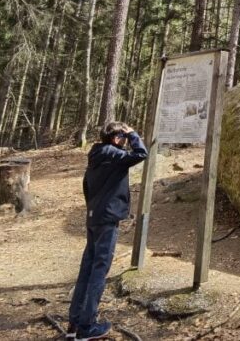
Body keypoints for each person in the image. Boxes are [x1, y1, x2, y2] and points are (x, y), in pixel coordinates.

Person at [67, 121, 148, 340]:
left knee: (87, 268)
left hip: (93, 218)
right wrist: (134, 134)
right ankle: (87, 326)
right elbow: (141, 153)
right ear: (116, 138)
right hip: (107, 219)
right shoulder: (114, 154)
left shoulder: (95, 155)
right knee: (99, 270)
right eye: (122, 136)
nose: (125, 140)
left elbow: (86, 186)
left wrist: (94, 208)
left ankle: (74, 322)